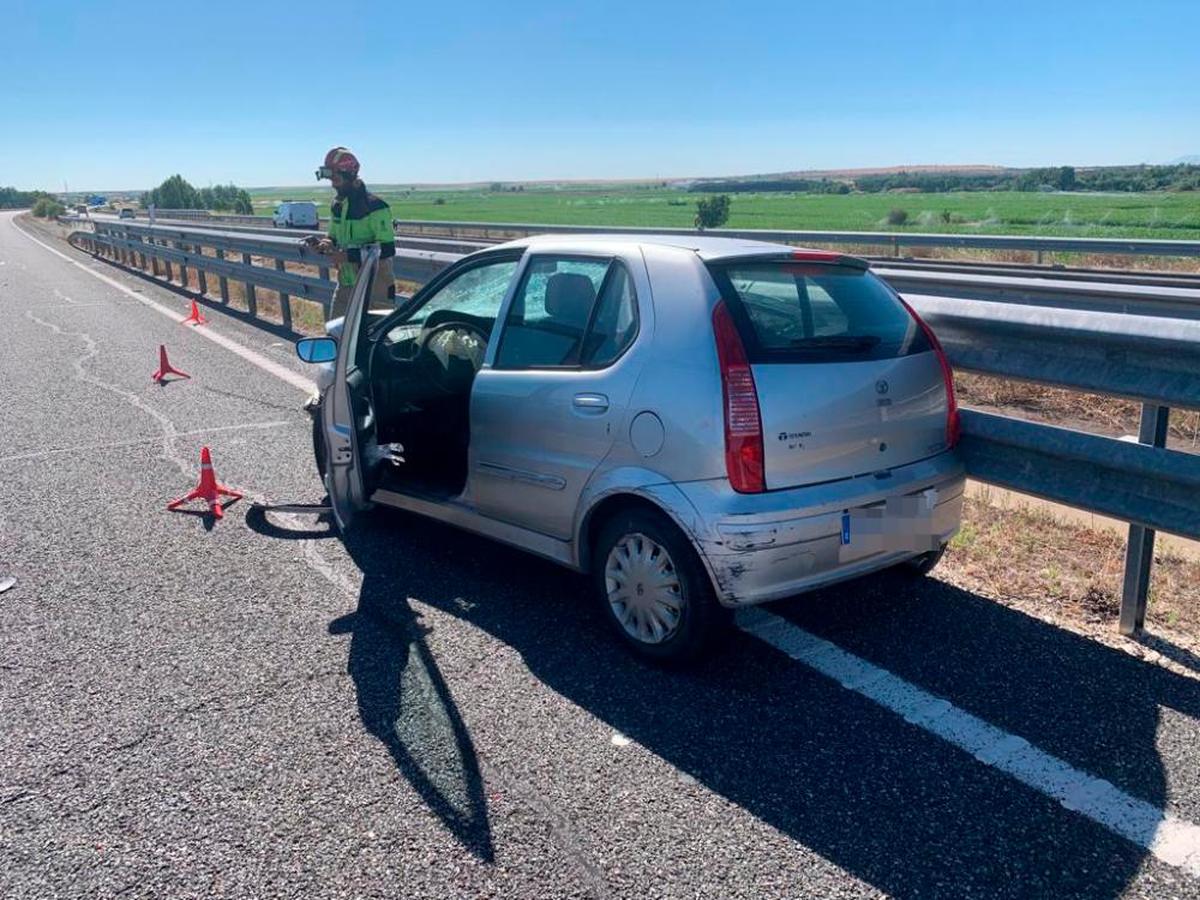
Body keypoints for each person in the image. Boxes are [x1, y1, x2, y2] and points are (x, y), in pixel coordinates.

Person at [308, 147, 396, 318]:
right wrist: (323, 245)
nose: (333, 184)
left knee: (374, 341)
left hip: (375, 288)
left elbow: (387, 249)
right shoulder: (337, 205)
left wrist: (347, 256)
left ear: (349, 175)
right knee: (336, 337)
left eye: (336, 179)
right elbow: (332, 237)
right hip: (346, 285)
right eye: (330, 179)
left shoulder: (377, 207)